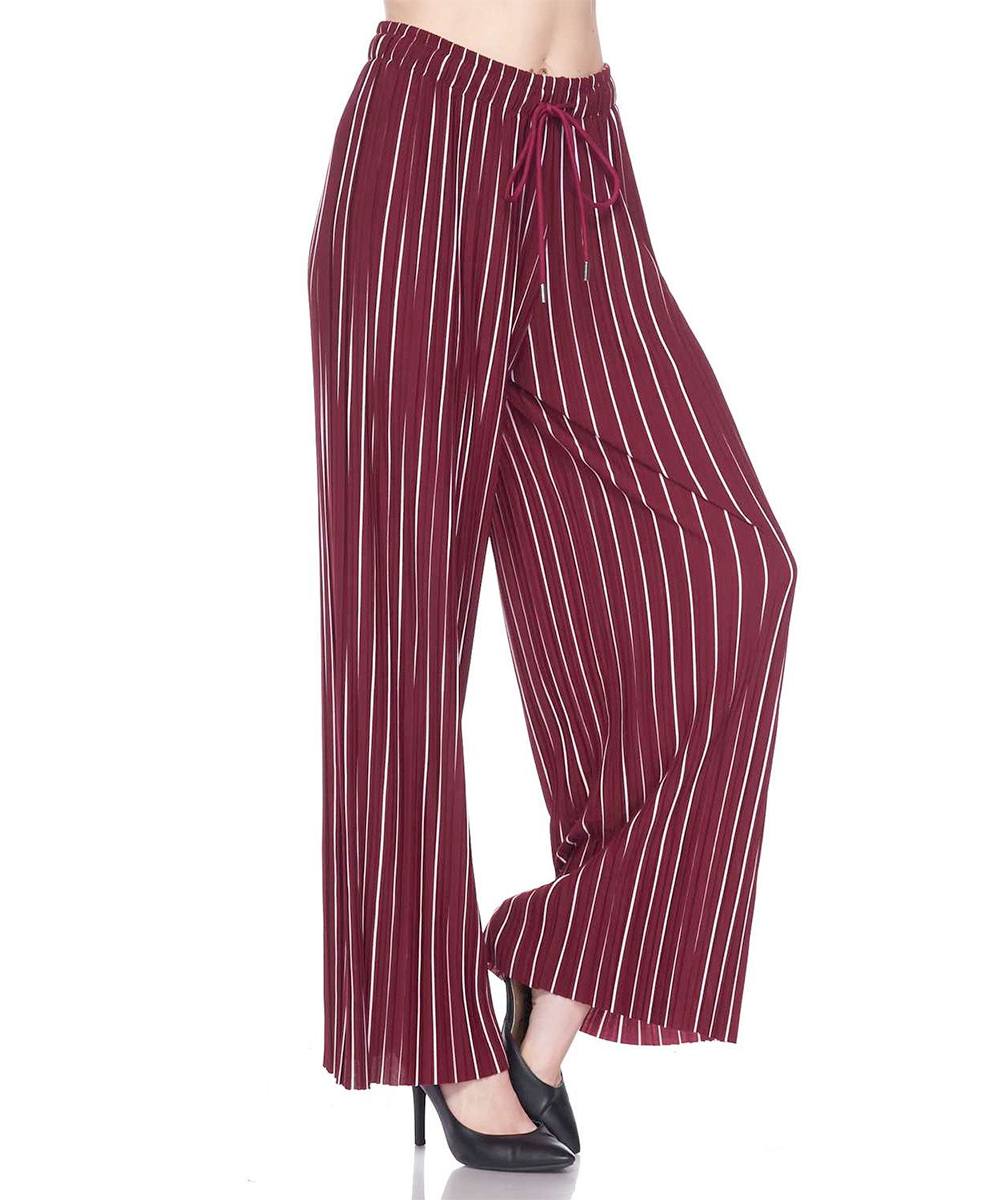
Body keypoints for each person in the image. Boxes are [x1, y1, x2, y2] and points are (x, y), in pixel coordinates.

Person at [307, 0, 798, 1172]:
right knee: (402, 640)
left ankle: (561, 968)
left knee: (738, 568)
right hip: (429, 145)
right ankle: (431, 1033)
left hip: (579, 155)